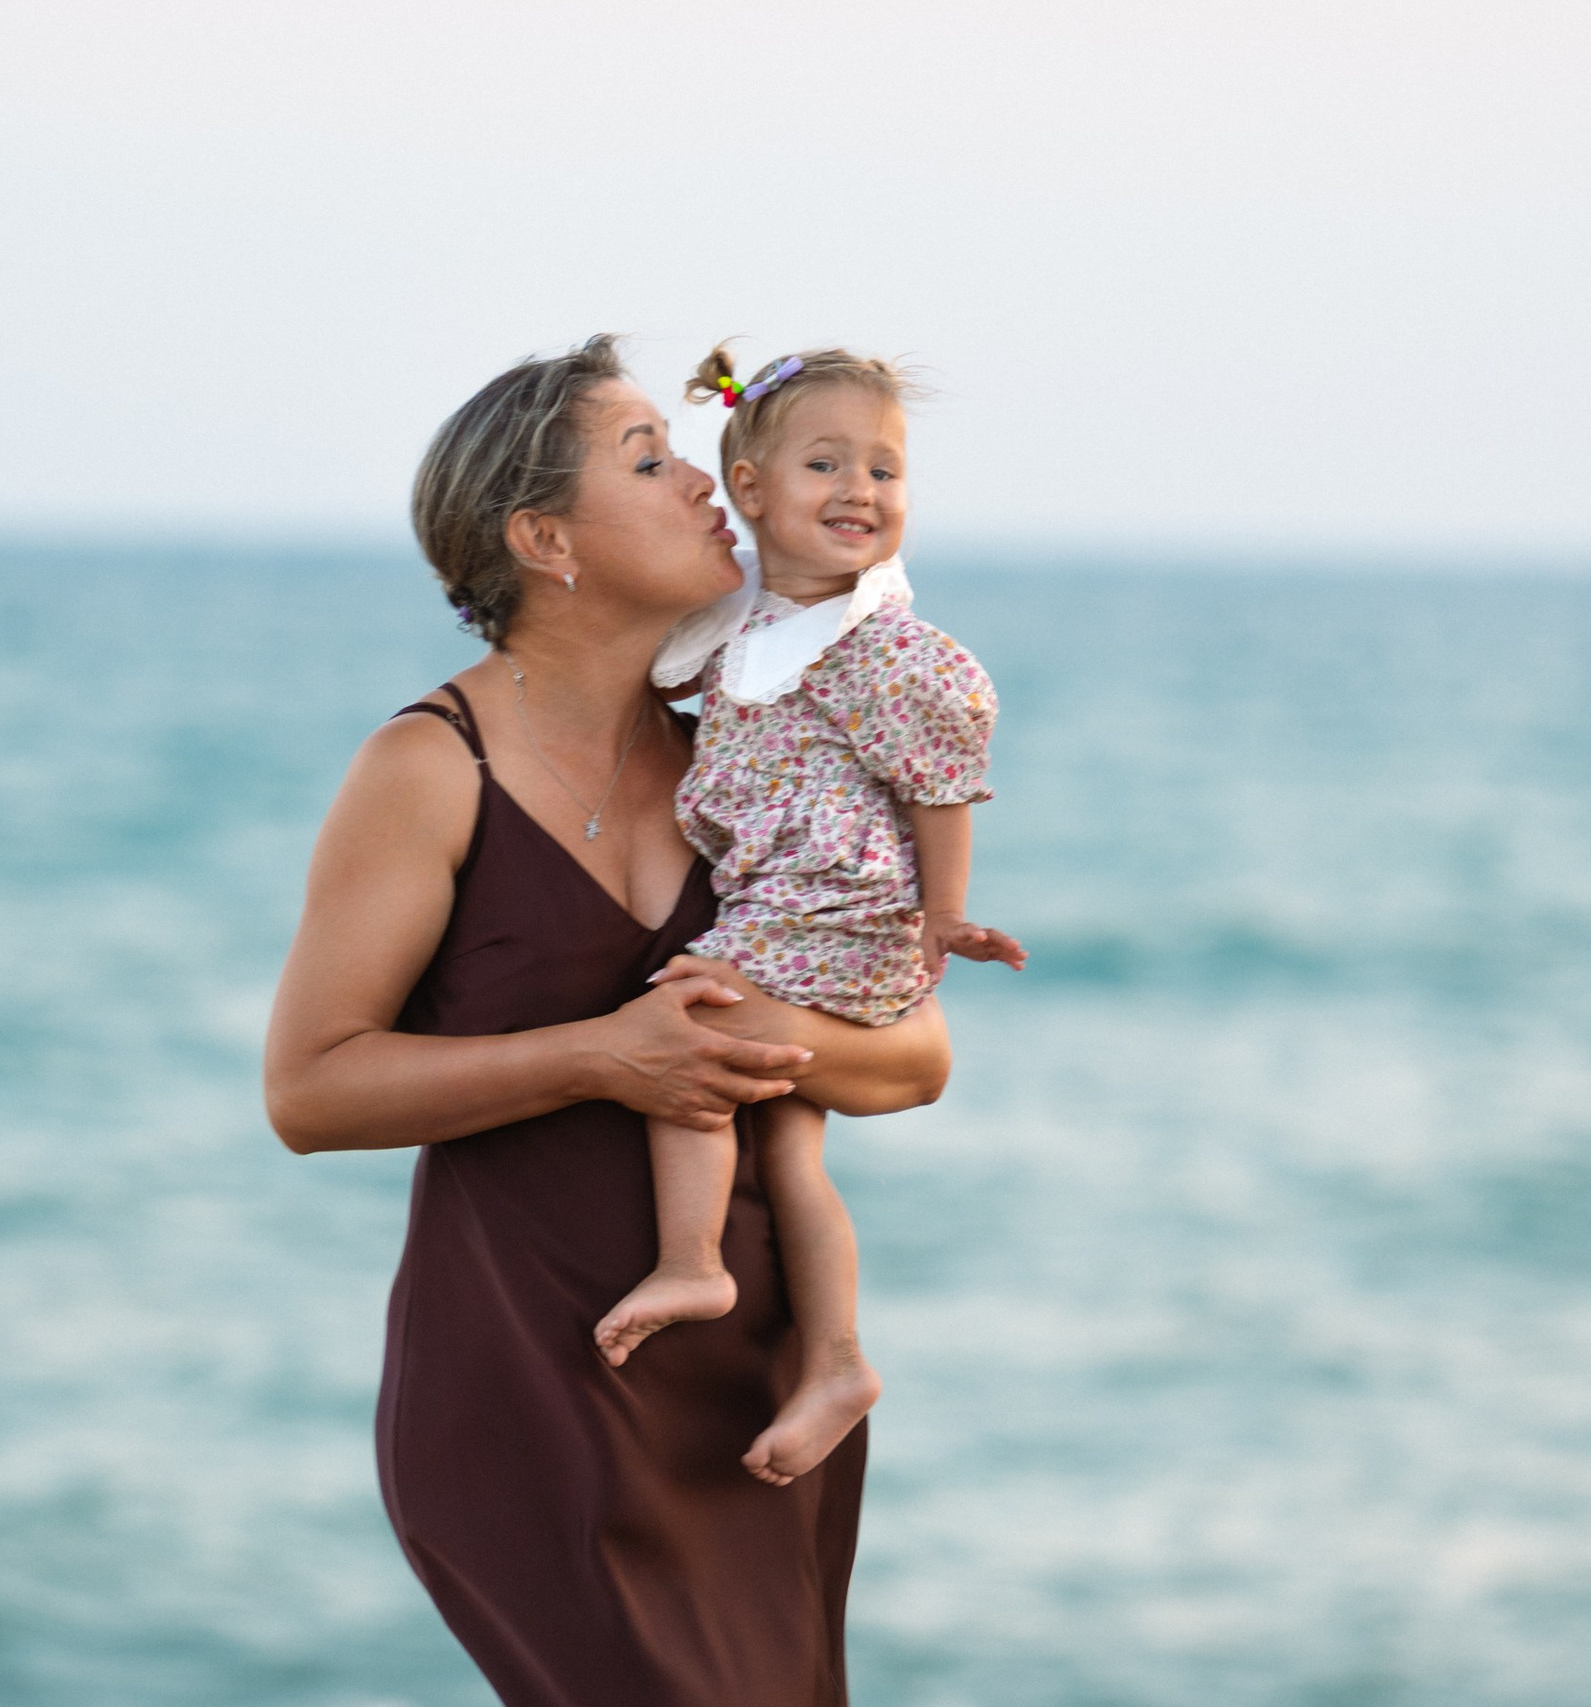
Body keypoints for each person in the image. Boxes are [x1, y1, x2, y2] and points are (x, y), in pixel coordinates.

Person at [264, 335, 951, 1707]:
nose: (704, 482)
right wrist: (598, 1056)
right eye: (648, 458)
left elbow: (918, 1057)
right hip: (527, 1382)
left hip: (756, 1390)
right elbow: (312, 1088)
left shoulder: (756, 747)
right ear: (544, 538)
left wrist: (731, 1043)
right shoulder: (428, 764)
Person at [591, 345, 1026, 1487]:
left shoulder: (878, 649)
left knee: (690, 1017)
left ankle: (691, 1259)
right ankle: (835, 1360)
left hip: (842, 924)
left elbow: (939, 784)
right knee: (788, 1147)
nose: (861, 490)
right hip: (785, 918)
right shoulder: (747, 638)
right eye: (825, 462)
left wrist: (946, 916)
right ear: (748, 490)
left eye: (884, 470)